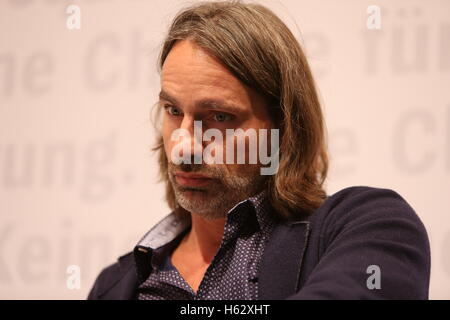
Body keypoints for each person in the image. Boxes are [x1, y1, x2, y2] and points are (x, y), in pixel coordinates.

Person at [87, 0, 430, 300]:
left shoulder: (370, 226)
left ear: (282, 127)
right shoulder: (113, 286)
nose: (184, 146)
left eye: (219, 117)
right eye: (174, 111)